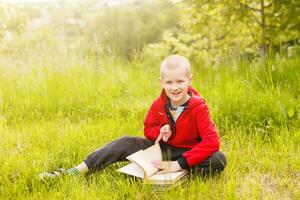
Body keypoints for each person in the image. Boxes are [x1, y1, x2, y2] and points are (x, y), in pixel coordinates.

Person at [39, 55, 226, 180]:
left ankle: (178, 171)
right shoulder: (159, 104)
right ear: (161, 82)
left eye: (180, 81)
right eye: (169, 82)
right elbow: (148, 128)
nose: (174, 87)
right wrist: (161, 130)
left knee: (218, 159)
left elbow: (212, 141)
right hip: (162, 150)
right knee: (126, 142)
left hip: (187, 153)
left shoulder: (198, 106)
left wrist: (179, 164)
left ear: (189, 80)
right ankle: (76, 171)